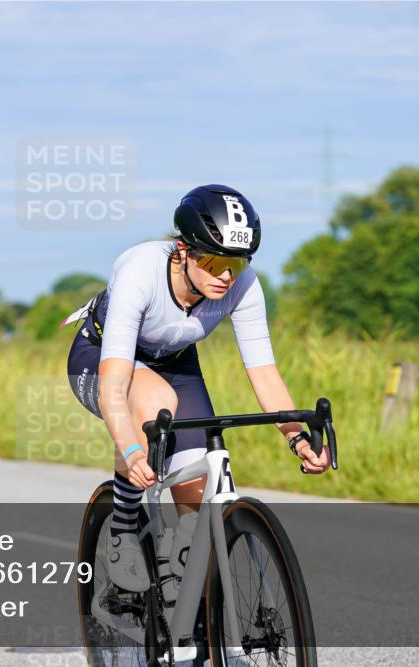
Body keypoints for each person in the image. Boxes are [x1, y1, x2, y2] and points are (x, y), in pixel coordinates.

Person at [65, 184, 332, 591]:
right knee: (154, 401)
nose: (226, 276)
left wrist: (296, 439)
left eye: (237, 263)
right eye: (214, 260)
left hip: (176, 364)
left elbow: (264, 373)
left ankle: (187, 617)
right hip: (102, 358)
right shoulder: (140, 271)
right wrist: (131, 449)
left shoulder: (243, 286)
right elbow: (116, 385)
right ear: (183, 249)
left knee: (196, 504)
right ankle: (122, 528)